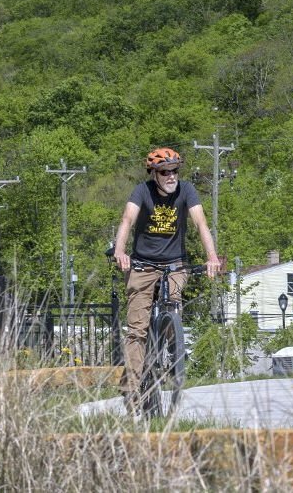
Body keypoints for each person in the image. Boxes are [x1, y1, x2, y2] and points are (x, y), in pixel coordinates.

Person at [113, 147, 221, 415]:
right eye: (165, 172)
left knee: (172, 304)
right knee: (137, 330)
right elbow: (127, 219)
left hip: (175, 265)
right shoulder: (142, 191)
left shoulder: (186, 191)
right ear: (154, 174)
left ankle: (173, 350)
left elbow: (200, 224)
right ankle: (131, 390)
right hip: (142, 265)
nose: (171, 176)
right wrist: (120, 251)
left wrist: (212, 257)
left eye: (174, 171)